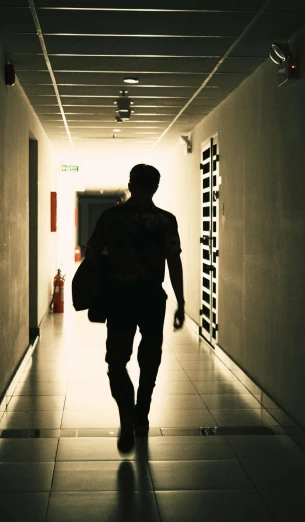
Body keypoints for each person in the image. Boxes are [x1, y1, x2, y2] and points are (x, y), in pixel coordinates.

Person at [83, 164, 185, 453]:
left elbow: (92, 253)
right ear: (155, 187)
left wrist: (100, 278)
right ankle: (142, 414)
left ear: (130, 183)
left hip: (119, 298)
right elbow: (174, 260)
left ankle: (127, 417)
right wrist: (181, 301)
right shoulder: (166, 221)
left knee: (116, 362)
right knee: (150, 360)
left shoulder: (111, 218)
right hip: (153, 298)